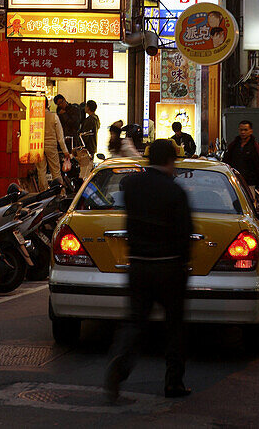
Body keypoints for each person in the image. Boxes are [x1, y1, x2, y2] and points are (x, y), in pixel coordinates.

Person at [105, 139, 193, 401]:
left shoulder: (131, 186)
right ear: (170, 161)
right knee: (175, 327)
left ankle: (120, 365)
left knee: (135, 322)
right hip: (170, 265)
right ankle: (173, 383)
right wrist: (184, 263)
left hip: (139, 264)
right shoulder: (175, 191)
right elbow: (184, 232)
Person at [223, 120, 259, 190]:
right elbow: (226, 161)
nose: (243, 132)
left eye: (245, 130)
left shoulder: (255, 147)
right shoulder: (233, 145)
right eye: (241, 130)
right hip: (235, 183)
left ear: (251, 131)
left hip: (250, 184)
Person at [37, 97, 69, 189]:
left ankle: (43, 192)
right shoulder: (54, 116)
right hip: (51, 146)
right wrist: (65, 151)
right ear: (48, 105)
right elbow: (60, 137)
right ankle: (60, 192)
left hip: (38, 146)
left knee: (41, 171)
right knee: (55, 170)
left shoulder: (36, 117)